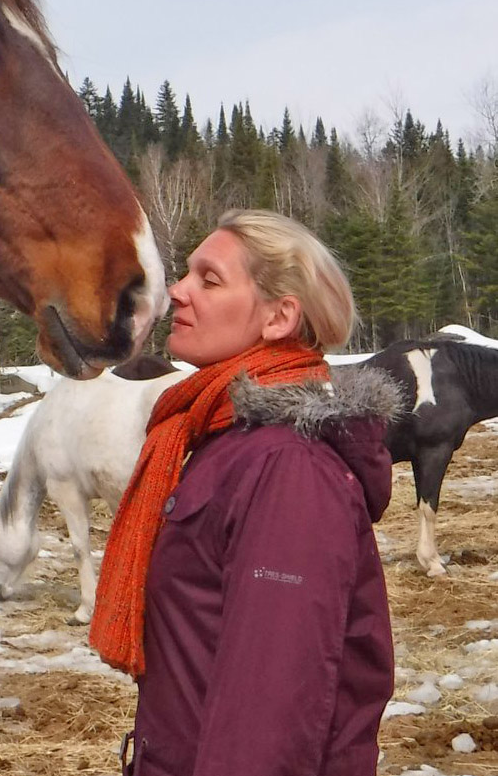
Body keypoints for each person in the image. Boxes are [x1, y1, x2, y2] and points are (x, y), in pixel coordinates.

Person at [89, 209, 400, 776]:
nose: (177, 292)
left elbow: (271, 716)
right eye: (186, 275)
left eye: (209, 280)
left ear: (280, 318)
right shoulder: (221, 438)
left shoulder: (289, 470)